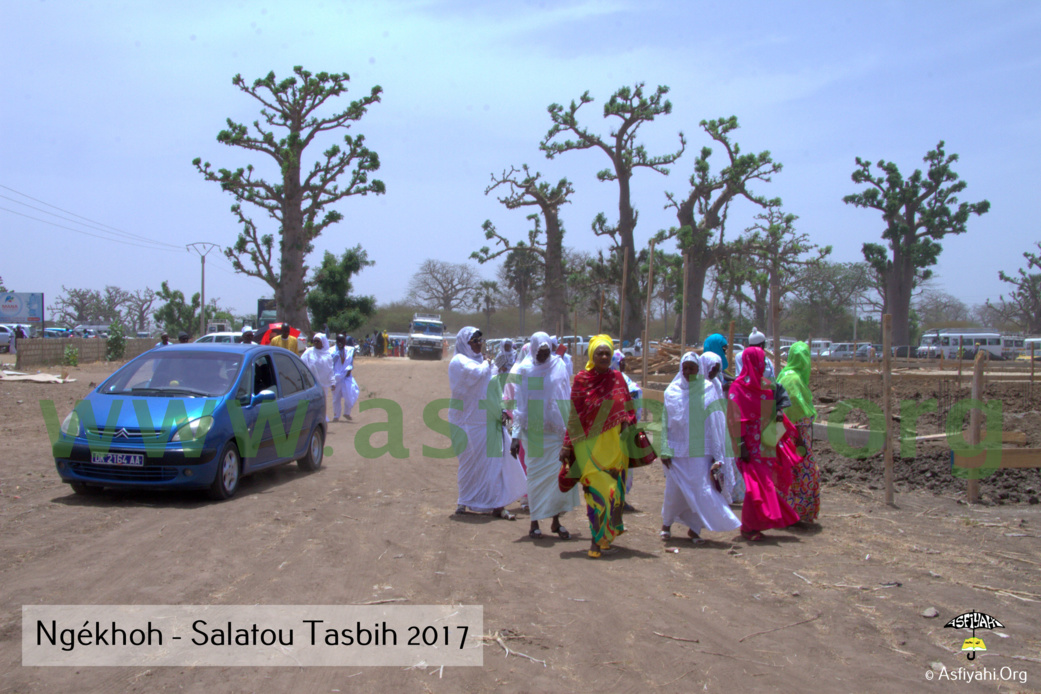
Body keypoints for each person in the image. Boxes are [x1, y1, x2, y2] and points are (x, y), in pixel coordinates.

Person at [560, 335, 637, 559]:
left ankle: (605, 538)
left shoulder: (618, 378)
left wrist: (627, 421)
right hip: (589, 447)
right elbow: (574, 414)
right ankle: (595, 540)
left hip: (615, 448)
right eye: (599, 353)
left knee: (615, 494)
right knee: (596, 494)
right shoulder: (582, 380)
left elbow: (630, 407)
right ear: (591, 355)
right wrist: (567, 444)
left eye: (607, 353)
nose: (604, 356)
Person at [660, 352, 741, 543]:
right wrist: (664, 447)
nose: (688, 372)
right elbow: (665, 422)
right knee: (674, 490)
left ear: (699, 370)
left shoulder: (707, 389)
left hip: (701, 451)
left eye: (692, 368)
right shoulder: (671, 392)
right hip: (677, 451)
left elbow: (715, 423)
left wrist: (717, 454)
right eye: (685, 368)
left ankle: (695, 530)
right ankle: (666, 524)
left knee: (700, 489)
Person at [449, 327, 526, 519]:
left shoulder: (483, 363)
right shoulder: (458, 362)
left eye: (480, 340)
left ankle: (497, 505)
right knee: (468, 464)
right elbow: (474, 375)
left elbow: (493, 390)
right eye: (474, 341)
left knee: (495, 465)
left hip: (489, 422)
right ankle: (464, 500)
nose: (479, 344)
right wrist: (489, 364)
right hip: (467, 423)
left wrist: (504, 418)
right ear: (465, 343)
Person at [510, 332, 580, 541]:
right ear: (532, 349)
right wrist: (515, 435)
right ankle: (534, 522)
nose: (543, 356)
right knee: (535, 477)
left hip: (557, 430)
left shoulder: (559, 365)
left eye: (546, 351)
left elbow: (565, 395)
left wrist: (572, 429)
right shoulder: (524, 370)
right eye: (539, 352)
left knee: (556, 477)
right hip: (533, 432)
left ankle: (556, 521)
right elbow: (520, 406)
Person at [726, 346, 800, 541]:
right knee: (753, 487)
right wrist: (741, 447)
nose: (763, 364)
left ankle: (757, 524)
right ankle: (749, 527)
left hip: (766, 445)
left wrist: (778, 439)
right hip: (747, 446)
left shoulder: (767, 386)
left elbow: (773, 416)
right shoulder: (737, 388)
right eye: (760, 360)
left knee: (764, 485)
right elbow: (735, 419)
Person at [776, 341, 820, 523]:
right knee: (804, 473)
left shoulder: (785, 375)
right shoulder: (793, 379)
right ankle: (796, 514)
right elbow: (793, 412)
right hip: (794, 436)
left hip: (783, 435)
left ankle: (786, 513)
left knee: (788, 473)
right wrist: (800, 440)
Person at [301, 333, 334, 420]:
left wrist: (332, 382)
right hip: (311, 382)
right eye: (314, 341)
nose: (315, 343)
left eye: (317, 341)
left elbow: (330, 370)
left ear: (323, 342)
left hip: (323, 383)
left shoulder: (327, 355)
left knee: (322, 400)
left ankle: (321, 417)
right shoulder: (309, 352)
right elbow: (302, 362)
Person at [331, 334, 358, 422]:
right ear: (336, 342)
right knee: (336, 398)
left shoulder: (349, 350)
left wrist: (349, 370)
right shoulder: (331, 352)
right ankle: (336, 415)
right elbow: (329, 365)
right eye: (338, 341)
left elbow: (350, 362)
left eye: (342, 341)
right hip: (336, 378)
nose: (340, 343)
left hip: (347, 377)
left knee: (350, 394)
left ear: (345, 342)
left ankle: (347, 412)